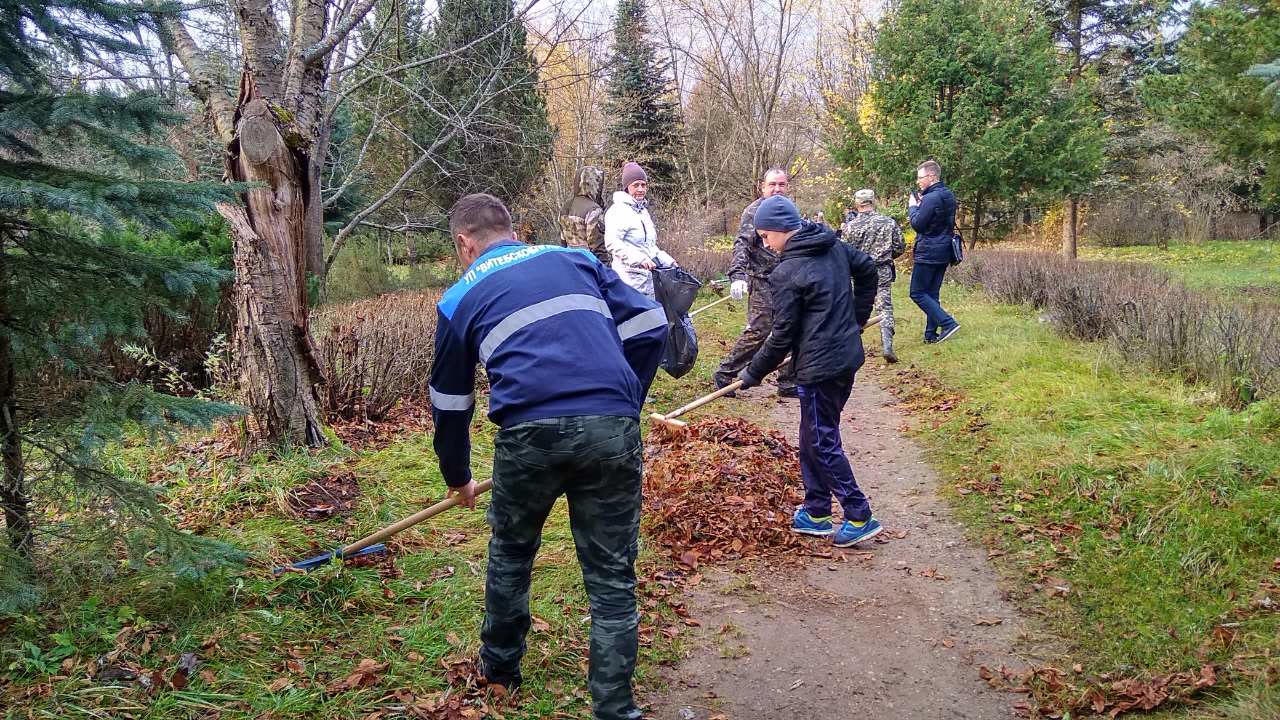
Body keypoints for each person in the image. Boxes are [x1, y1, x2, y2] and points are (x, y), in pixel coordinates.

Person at [429, 193, 668, 720]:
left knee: (511, 554)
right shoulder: (576, 259)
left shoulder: (458, 299)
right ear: (512, 229)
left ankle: (499, 671)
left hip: (527, 437)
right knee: (611, 576)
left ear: (465, 243)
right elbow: (651, 325)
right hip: (611, 428)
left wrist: (458, 476)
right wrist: (625, 401)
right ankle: (615, 708)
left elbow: (450, 404)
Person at [735, 195, 883, 548]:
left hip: (821, 368)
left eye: (765, 236)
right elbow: (867, 271)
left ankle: (859, 514)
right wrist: (857, 319)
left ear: (781, 231)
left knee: (821, 439)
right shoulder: (833, 245)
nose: (764, 243)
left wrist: (752, 374)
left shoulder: (787, 272)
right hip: (843, 359)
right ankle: (816, 510)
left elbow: (781, 335)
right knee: (811, 436)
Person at [713, 167, 798, 397]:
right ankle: (725, 372)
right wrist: (738, 276)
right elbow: (742, 244)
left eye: (781, 184)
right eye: (772, 185)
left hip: (788, 279)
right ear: (763, 186)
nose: (777, 189)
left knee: (792, 325)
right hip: (762, 280)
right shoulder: (754, 211)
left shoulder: (791, 210)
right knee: (759, 330)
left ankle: (788, 380)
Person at [844, 188, 906, 363]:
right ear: (873, 201)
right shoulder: (888, 222)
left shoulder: (850, 226)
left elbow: (844, 252)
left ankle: (851, 346)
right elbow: (900, 247)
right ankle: (887, 346)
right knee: (884, 306)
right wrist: (886, 257)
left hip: (859, 272)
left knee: (857, 307)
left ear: (857, 203)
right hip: (882, 270)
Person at [604, 162, 676, 298]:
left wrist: (667, 260)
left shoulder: (643, 212)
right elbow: (612, 243)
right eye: (636, 185)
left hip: (648, 279)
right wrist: (639, 259)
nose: (641, 189)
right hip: (628, 281)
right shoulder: (617, 211)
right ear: (627, 188)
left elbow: (649, 246)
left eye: (643, 185)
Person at [907, 160, 961, 343]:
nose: (918, 182)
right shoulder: (948, 195)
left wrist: (913, 207)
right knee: (932, 293)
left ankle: (948, 323)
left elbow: (918, 224)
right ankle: (930, 335)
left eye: (920, 178)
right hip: (944, 249)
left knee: (917, 292)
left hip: (929, 250)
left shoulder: (931, 198)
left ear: (931, 176)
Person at [560, 165, 611, 264]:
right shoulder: (593, 209)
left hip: (570, 263)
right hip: (588, 265)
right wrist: (606, 272)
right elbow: (597, 247)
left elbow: (563, 242)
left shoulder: (565, 206)